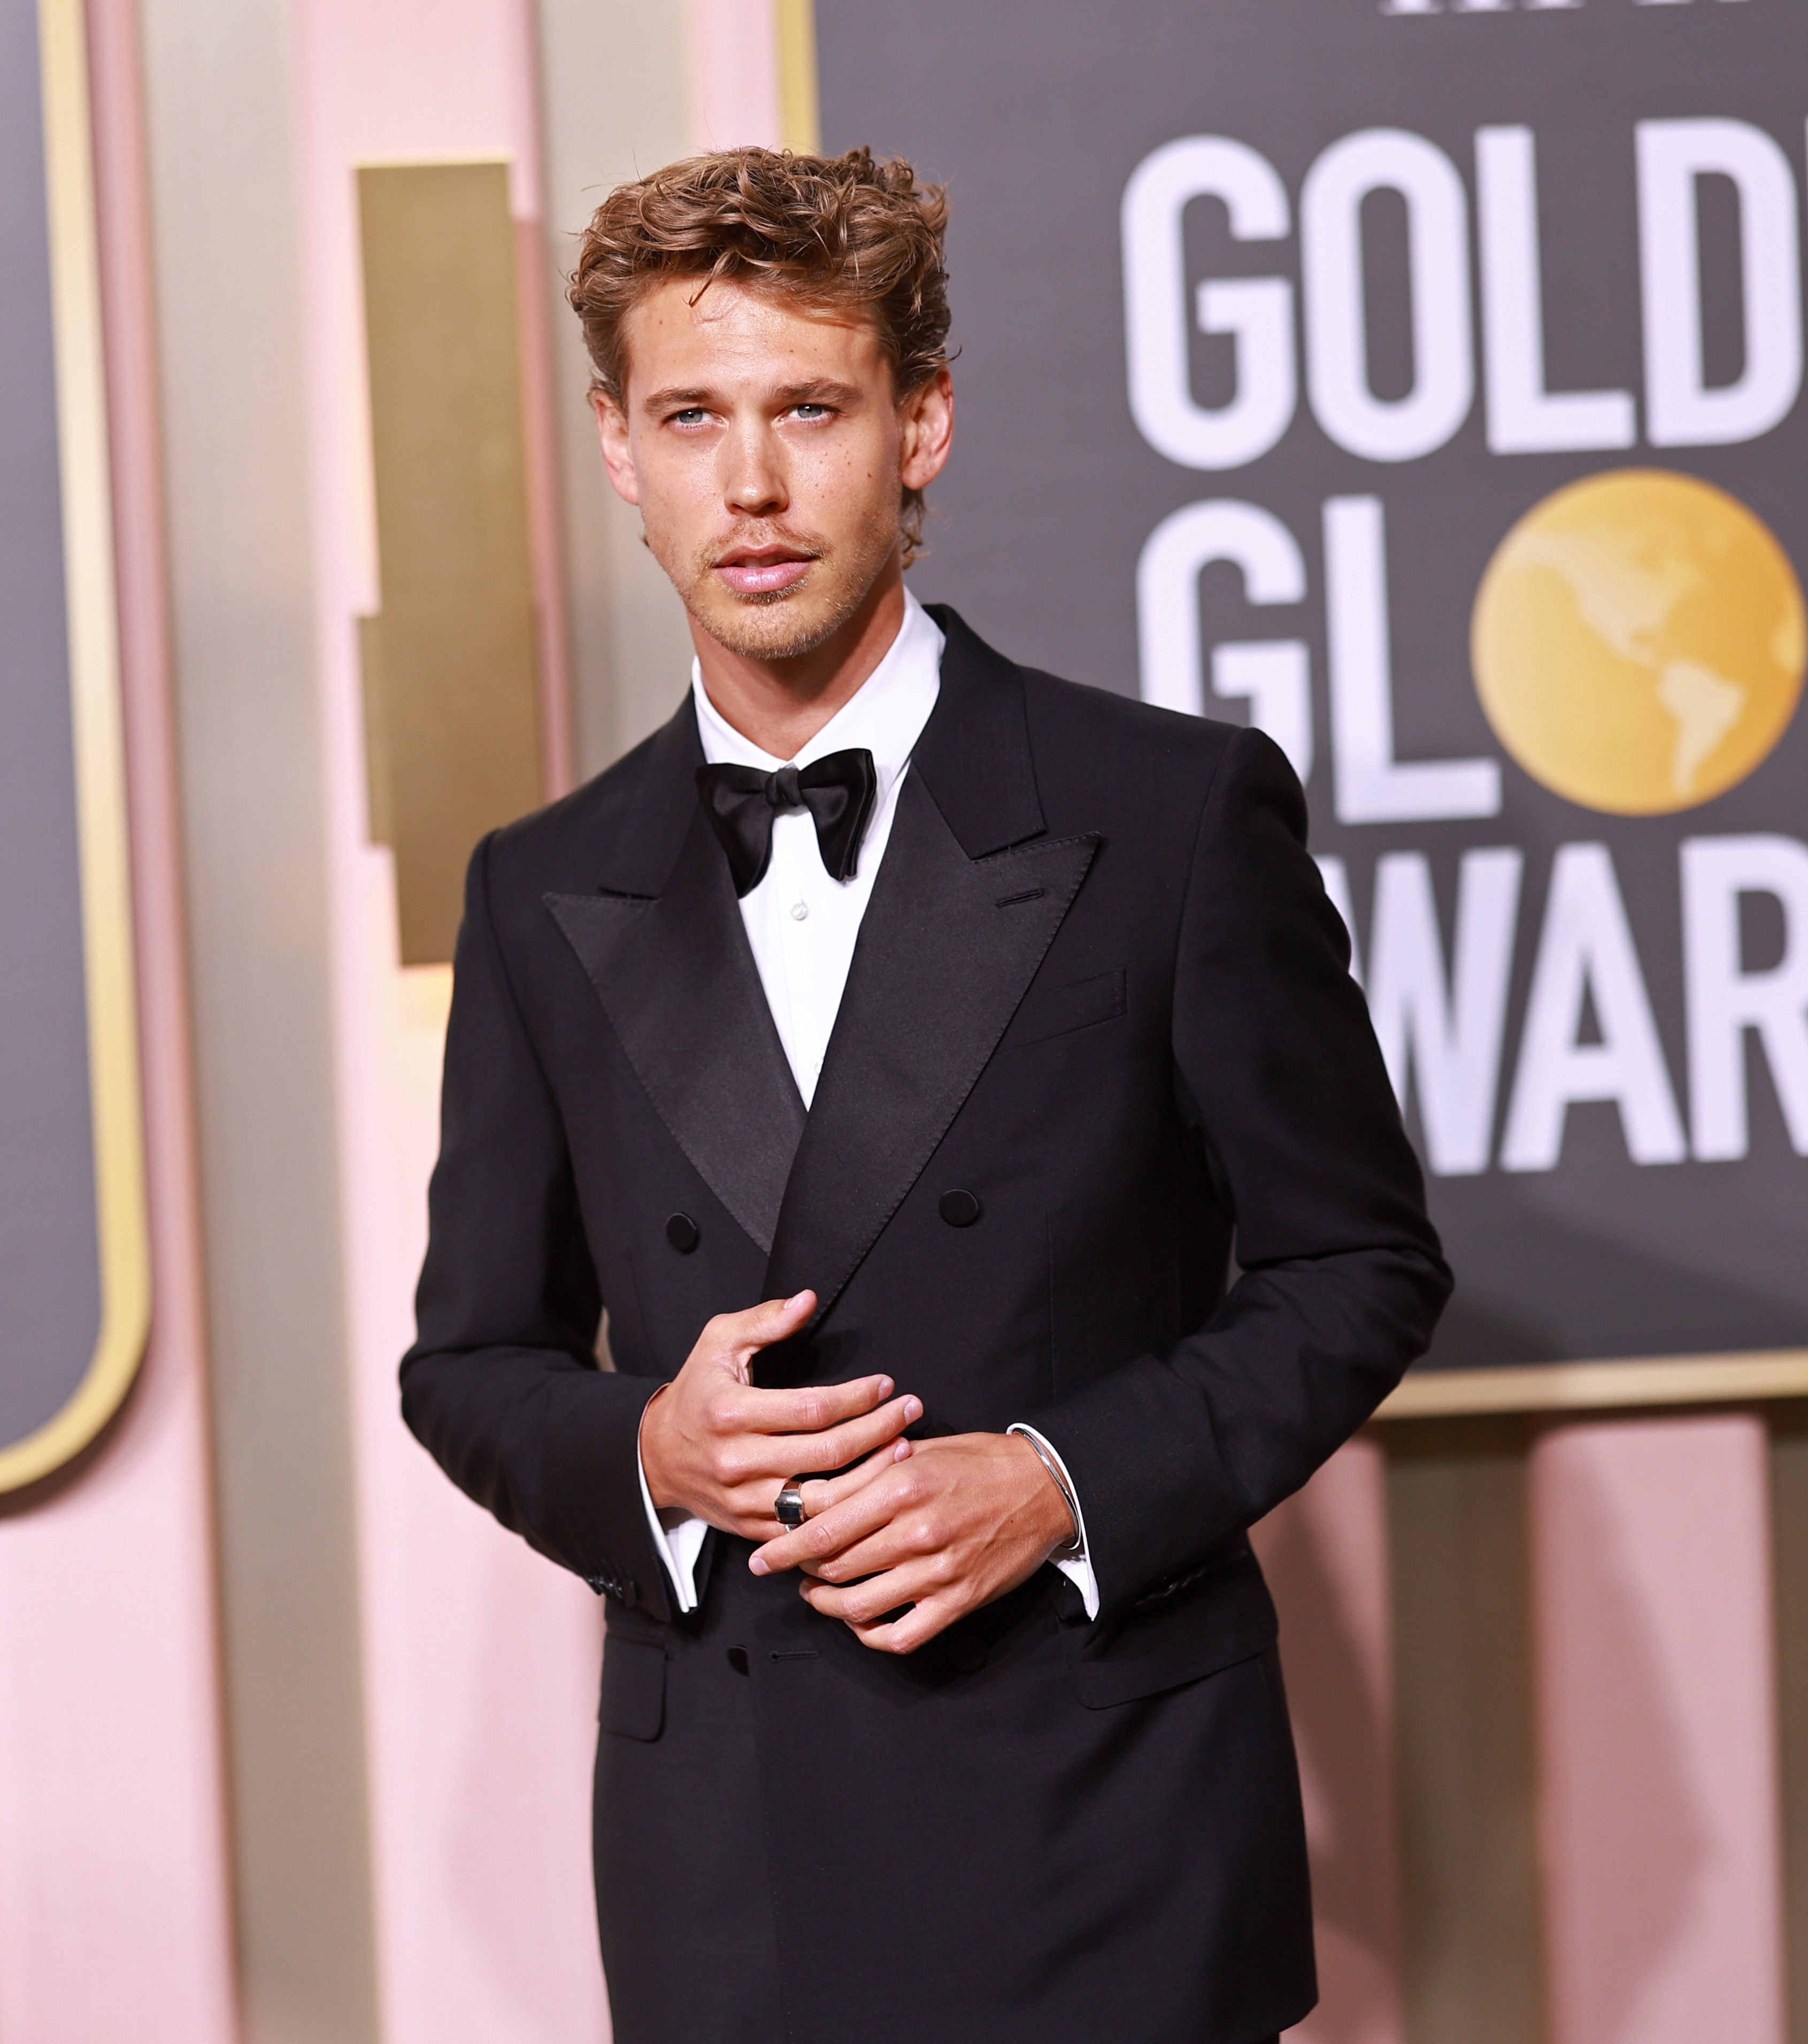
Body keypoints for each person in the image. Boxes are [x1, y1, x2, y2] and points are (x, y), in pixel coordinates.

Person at [400, 146, 1449, 2044]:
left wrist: (1059, 1484)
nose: (755, 483)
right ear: (619, 451)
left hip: (1100, 1828)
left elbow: (1358, 1265)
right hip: (730, 1855)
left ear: (921, 425)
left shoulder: (1170, 813)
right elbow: (467, 1362)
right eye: (692, 416)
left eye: (812, 408)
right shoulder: (539, 884)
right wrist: (653, 1456)